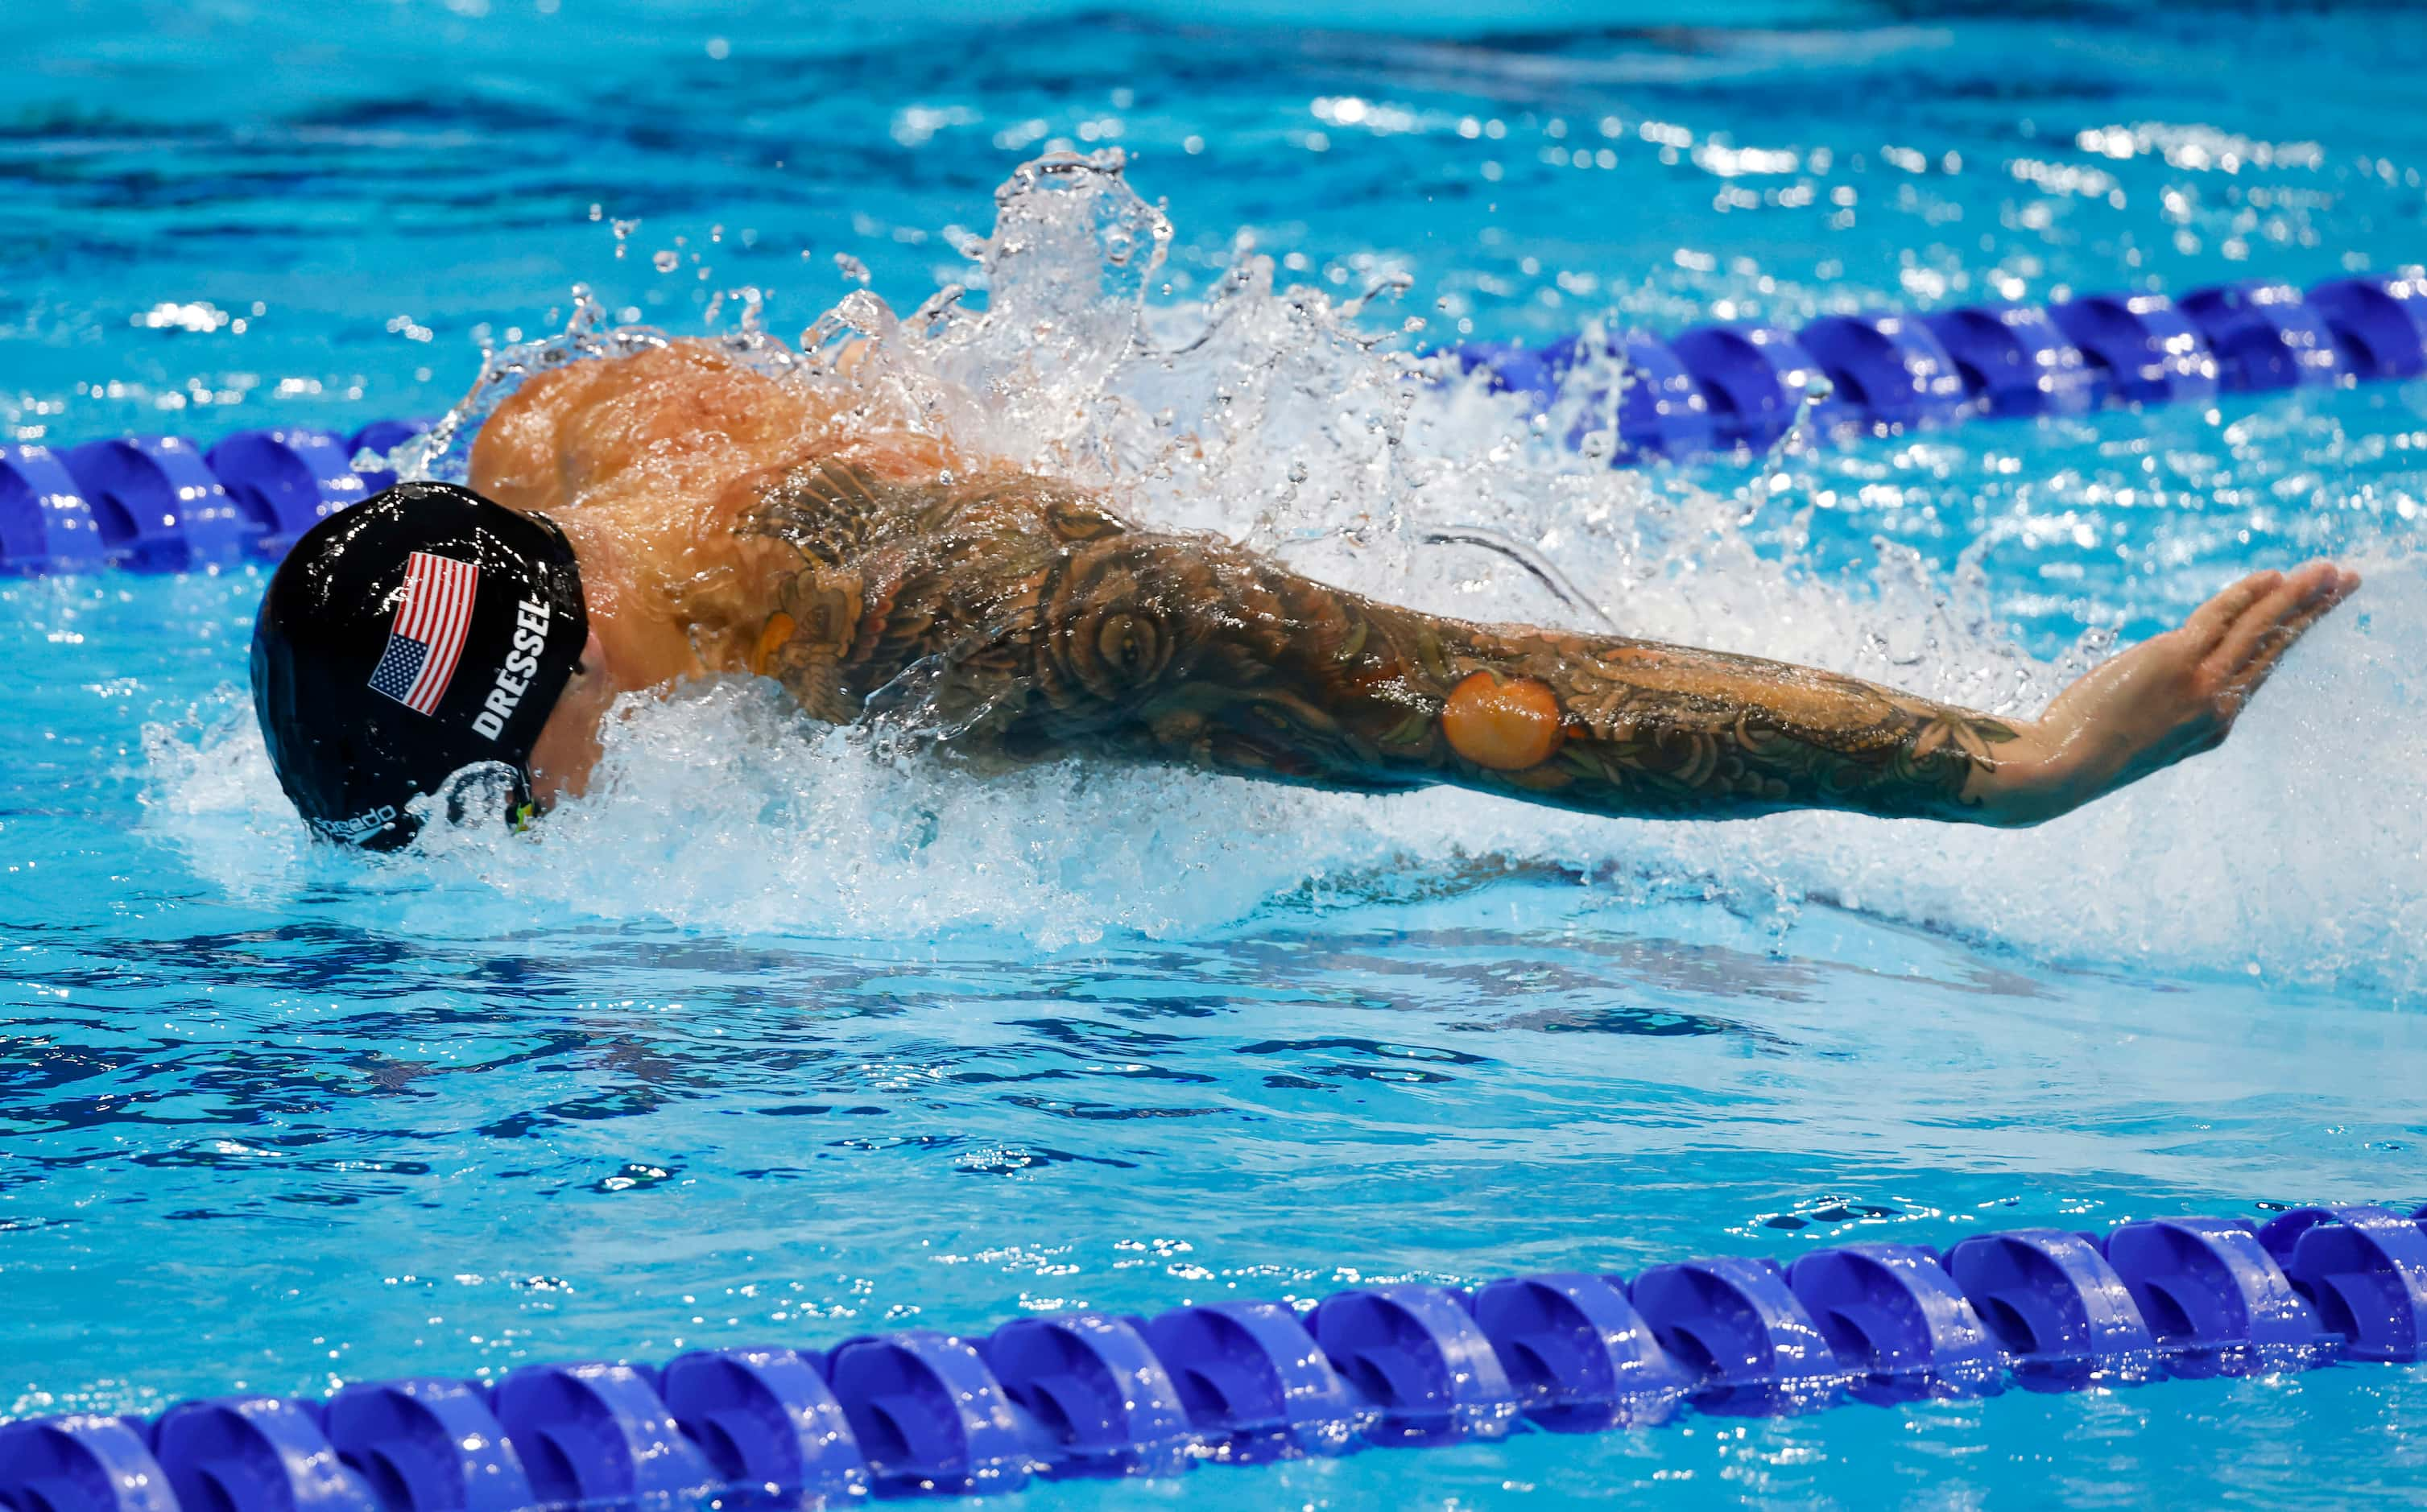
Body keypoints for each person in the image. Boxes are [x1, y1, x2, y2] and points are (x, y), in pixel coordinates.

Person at [251, 341, 2358, 852]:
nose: (529, 837)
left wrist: (1991, 766)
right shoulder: (531, 457)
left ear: (565, 673)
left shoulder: (934, 621)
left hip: (1146, 615)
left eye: (510, 801)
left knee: (1372, 713)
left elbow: (1457, 693)